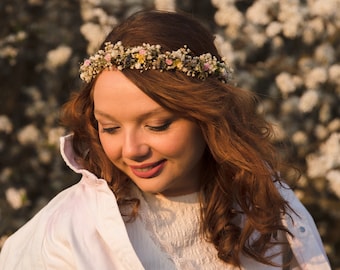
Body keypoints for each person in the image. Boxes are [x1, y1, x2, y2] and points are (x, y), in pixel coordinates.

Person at [0, 10, 331, 270]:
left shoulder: (267, 212)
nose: (132, 150)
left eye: (157, 125)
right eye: (110, 128)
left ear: (208, 117)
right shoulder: (62, 235)